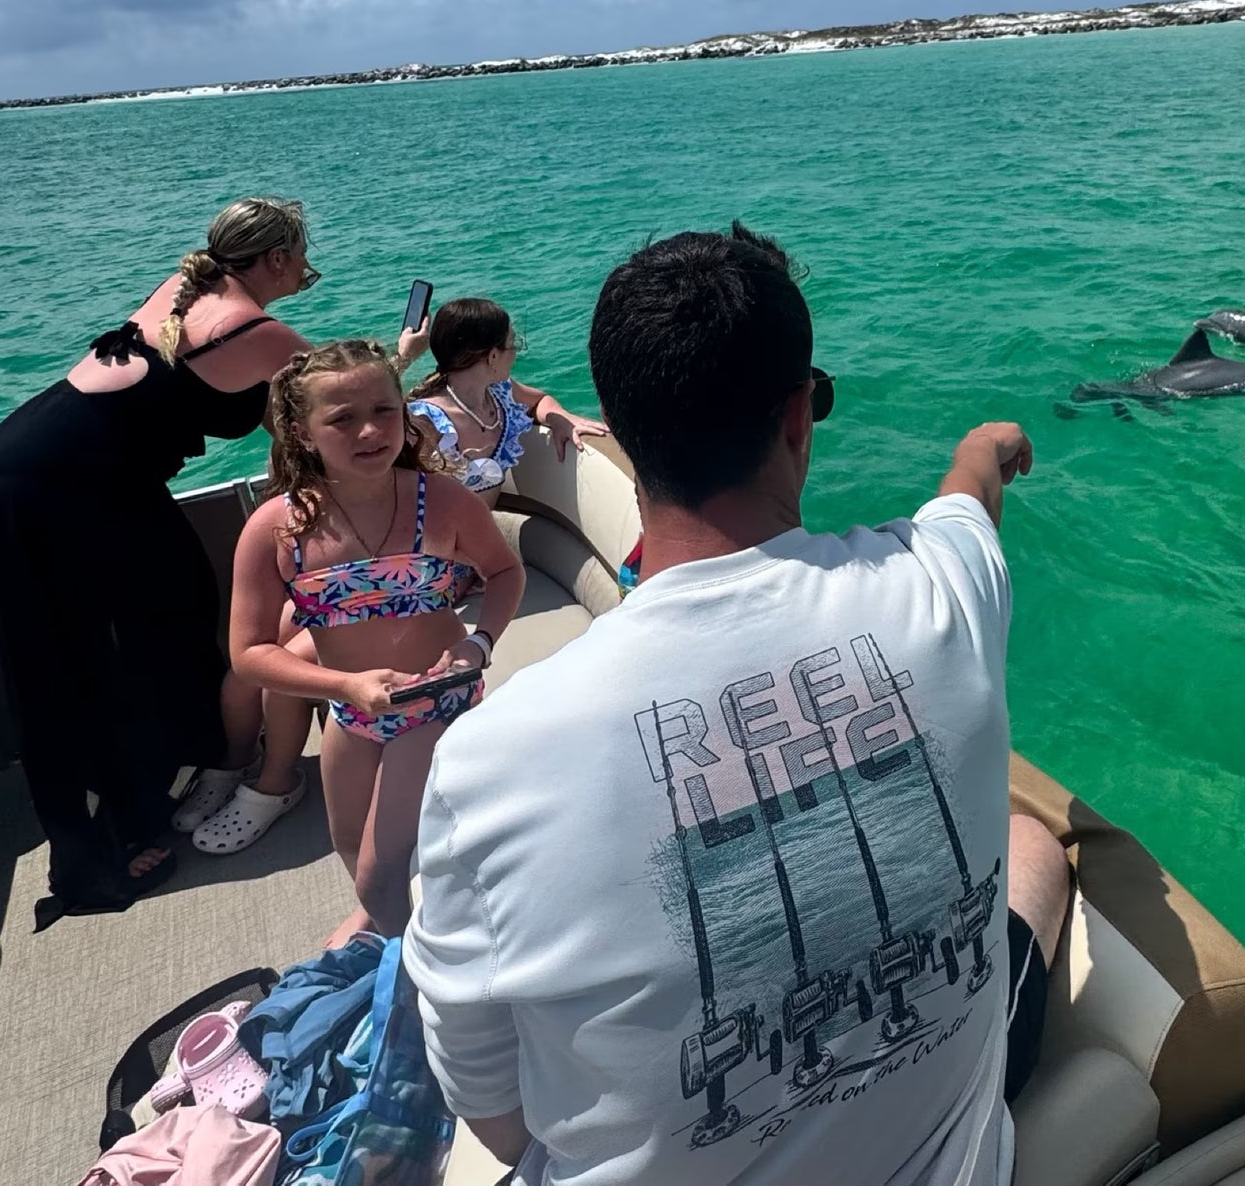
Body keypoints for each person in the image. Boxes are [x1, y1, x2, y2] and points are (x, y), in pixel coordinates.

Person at [405, 222, 1070, 1186]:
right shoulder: (943, 591)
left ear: (618, 429)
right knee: (1036, 848)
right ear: (799, 417)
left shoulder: (488, 762)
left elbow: (495, 1111)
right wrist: (986, 445)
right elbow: (966, 502)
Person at [0, 197, 320, 923]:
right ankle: (90, 859)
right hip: (55, 495)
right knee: (62, 668)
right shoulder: (258, 330)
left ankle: (179, 771)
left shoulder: (189, 287)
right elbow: (332, 410)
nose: (305, 273)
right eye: (302, 260)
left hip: (52, 472)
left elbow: (277, 417)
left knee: (178, 608)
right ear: (279, 259)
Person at [229, 340, 525, 940]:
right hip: (353, 712)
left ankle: (409, 969)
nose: (369, 431)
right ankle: (381, 920)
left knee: (378, 873)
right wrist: (345, 687)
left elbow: (504, 572)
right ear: (301, 432)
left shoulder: (443, 501)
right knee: (346, 842)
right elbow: (250, 654)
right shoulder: (275, 529)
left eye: (384, 411)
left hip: (436, 702)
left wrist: (480, 644)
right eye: (343, 419)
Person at [406, 298, 607, 503]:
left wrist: (558, 418)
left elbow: (539, 400)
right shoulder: (426, 420)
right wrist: (403, 357)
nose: (516, 352)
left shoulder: (500, 393)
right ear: (493, 356)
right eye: (512, 344)